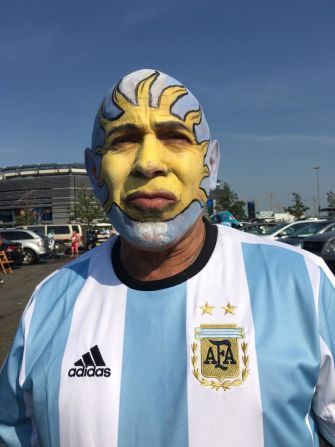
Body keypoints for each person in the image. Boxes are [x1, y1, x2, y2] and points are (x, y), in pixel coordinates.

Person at [0, 69, 334, 447]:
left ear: (211, 163)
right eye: (124, 140)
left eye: (175, 137)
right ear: (94, 170)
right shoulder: (49, 302)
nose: (148, 163)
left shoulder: (304, 283)